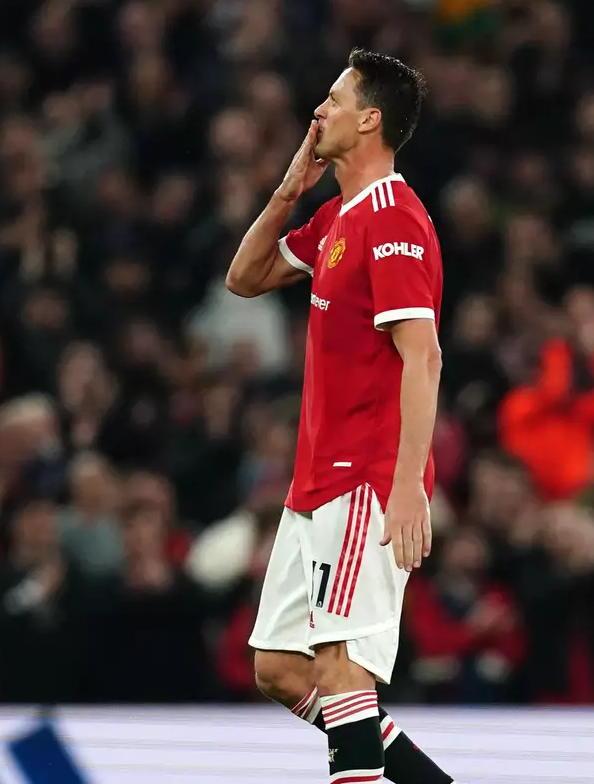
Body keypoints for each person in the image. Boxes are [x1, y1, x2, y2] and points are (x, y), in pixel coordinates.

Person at [226, 48, 453, 784]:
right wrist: (290, 188)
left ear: (370, 118)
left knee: (341, 664)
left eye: (332, 99)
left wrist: (410, 483)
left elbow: (424, 357)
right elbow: (245, 277)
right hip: (314, 481)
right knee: (279, 669)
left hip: (364, 478)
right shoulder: (336, 217)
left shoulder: (395, 220)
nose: (316, 112)